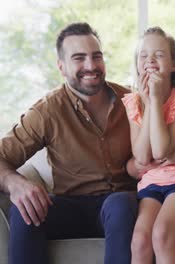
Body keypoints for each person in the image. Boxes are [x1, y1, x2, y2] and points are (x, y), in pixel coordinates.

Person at [0, 22, 137, 264]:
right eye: (79, 58)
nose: (91, 66)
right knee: (24, 210)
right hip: (71, 207)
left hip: (120, 210)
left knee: (120, 203)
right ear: (61, 67)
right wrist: (15, 182)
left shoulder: (131, 102)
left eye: (97, 56)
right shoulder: (47, 111)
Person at [122, 26, 175, 264]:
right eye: (143, 55)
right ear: (137, 64)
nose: (150, 59)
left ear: (173, 64)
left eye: (158, 54)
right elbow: (141, 156)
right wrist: (148, 103)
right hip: (152, 184)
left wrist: (156, 100)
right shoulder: (133, 102)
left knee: (161, 232)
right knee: (140, 239)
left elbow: (160, 150)